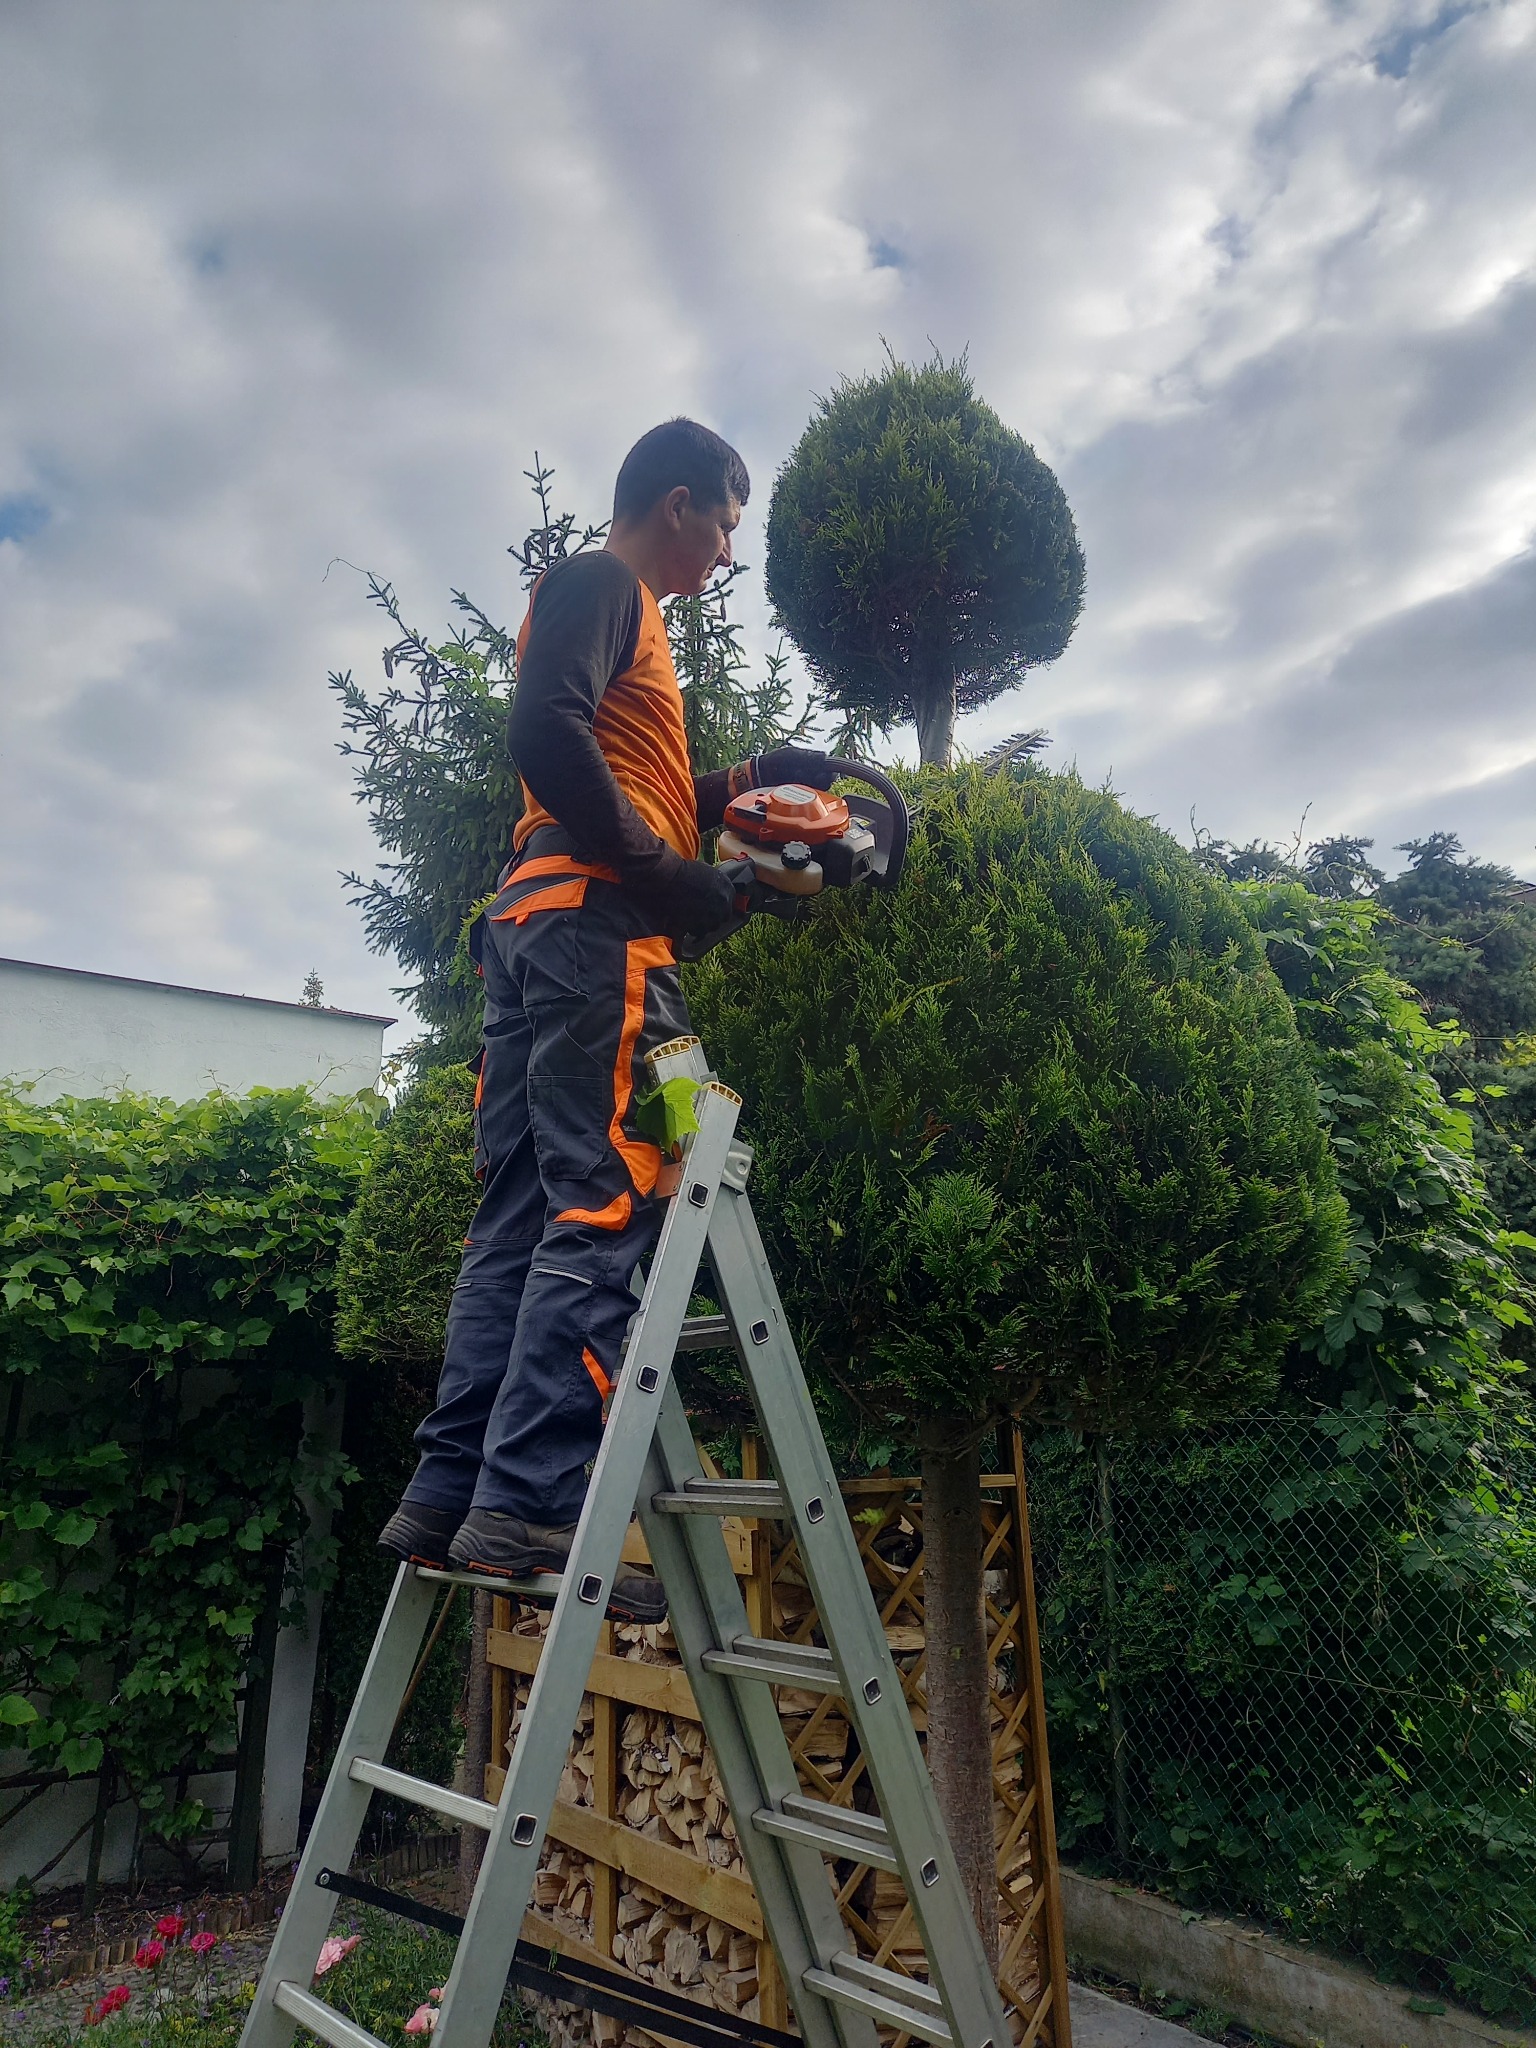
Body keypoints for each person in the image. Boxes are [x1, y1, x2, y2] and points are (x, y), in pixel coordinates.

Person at [377, 419, 834, 1621]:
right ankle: (527, 1505)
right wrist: (678, 884)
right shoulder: (604, 583)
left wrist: (738, 787)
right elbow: (547, 734)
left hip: (538, 918)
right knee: (608, 1193)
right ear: (677, 502)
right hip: (592, 931)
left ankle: (448, 1492)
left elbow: (627, 784)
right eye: (728, 523)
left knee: (520, 1210)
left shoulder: (617, 611)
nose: (729, 552)